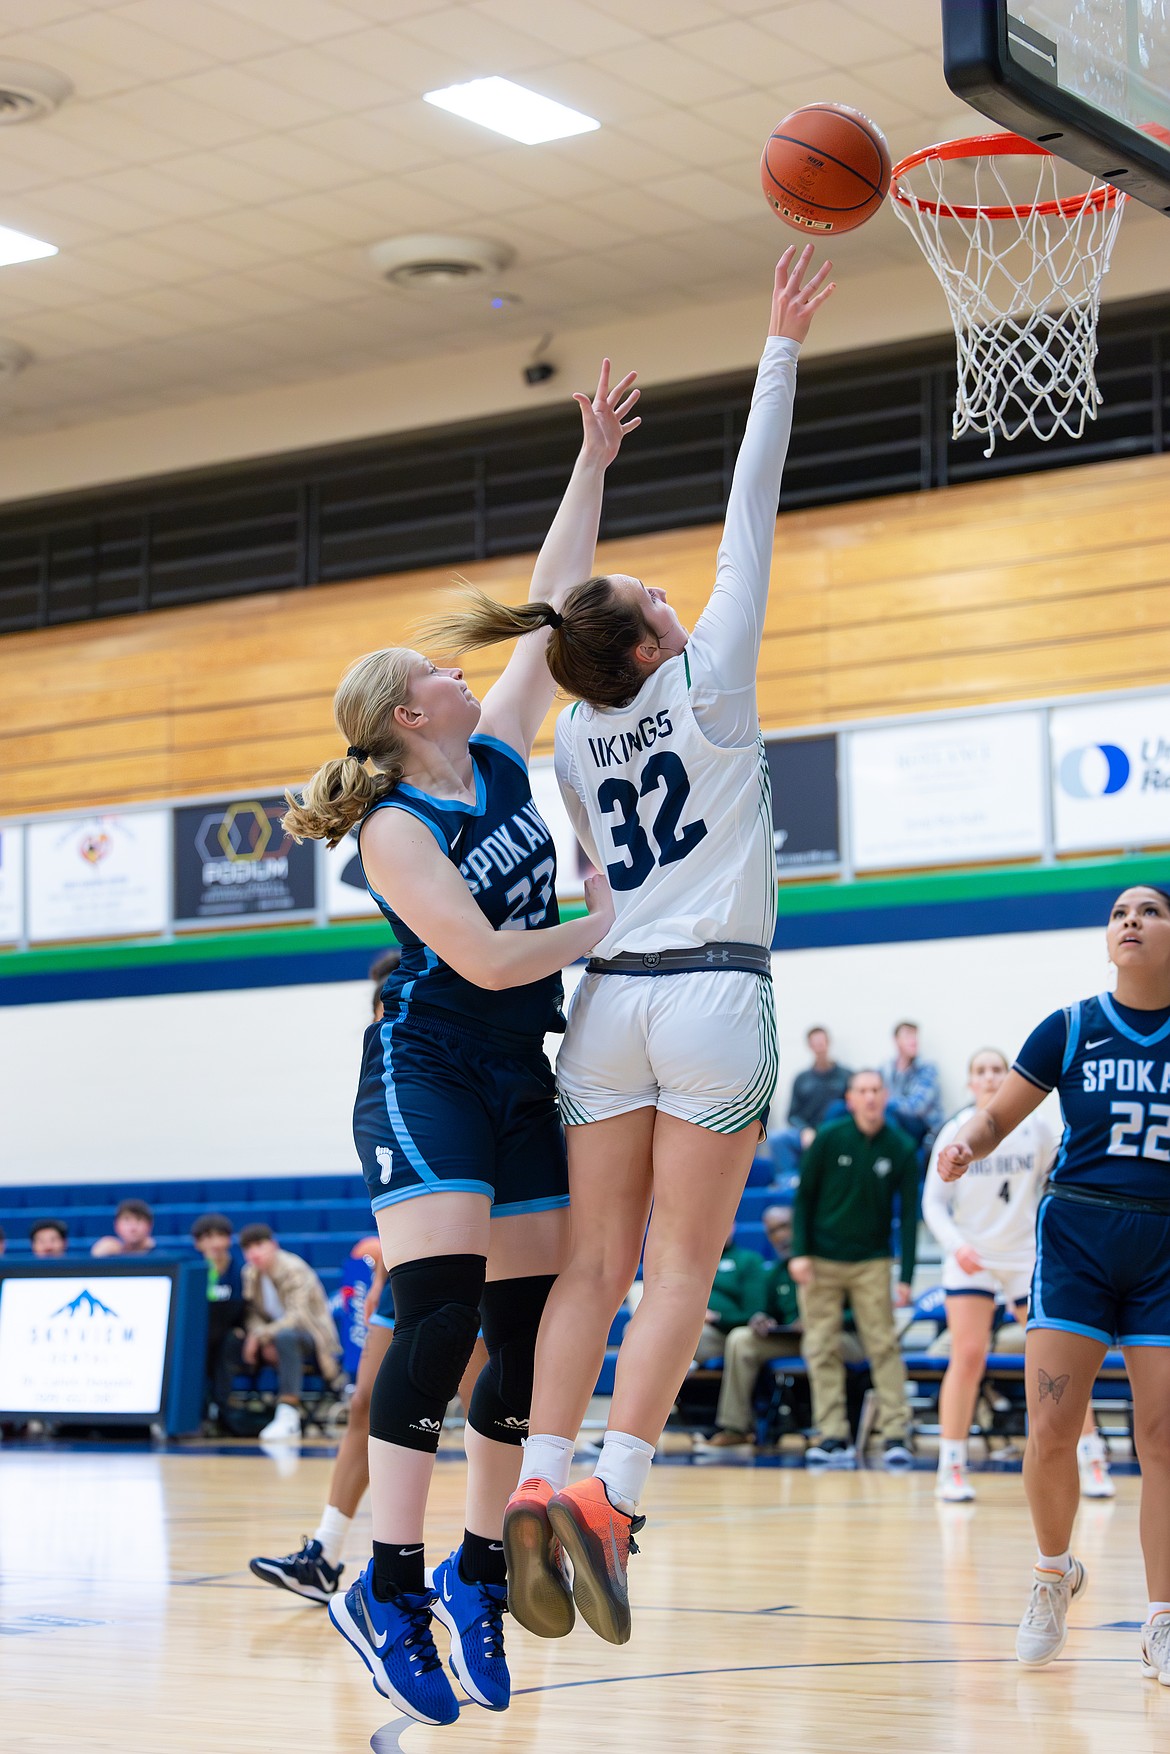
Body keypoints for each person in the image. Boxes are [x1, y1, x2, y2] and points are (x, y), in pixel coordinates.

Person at [421, 246, 834, 1649]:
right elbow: (749, 516)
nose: (679, 594)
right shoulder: (708, 682)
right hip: (714, 992)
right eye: (662, 595)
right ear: (661, 635)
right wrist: (775, 346)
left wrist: (589, 465)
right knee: (679, 1268)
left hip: (604, 1005)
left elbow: (556, 605)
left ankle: (537, 1471)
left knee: (590, 1267)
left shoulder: (579, 728)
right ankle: (611, 1490)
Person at [279, 357, 637, 1724]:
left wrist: (592, 461)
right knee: (430, 1324)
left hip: (514, 1065)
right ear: (400, 712)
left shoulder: (490, 753)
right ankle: (388, 1576)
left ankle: (483, 1568)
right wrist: (600, 921)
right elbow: (487, 957)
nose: (458, 667)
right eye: (436, 668)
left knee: (526, 1324)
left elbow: (548, 603)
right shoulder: (394, 827)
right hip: (426, 1065)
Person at [938, 882, 1170, 1679]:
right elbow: (1000, 1115)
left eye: (1150, 911)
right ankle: (1051, 1573)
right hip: (1077, 1238)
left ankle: (1162, 1618)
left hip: (1164, 1247)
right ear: (1107, 940)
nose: (1131, 921)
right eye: (1118, 914)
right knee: (1051, 1430)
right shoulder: (1070, 1027)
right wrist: (968, 1143)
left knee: (1162, 1437)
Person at [923, 1050, 1111, 1504]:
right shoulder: (955, 1131)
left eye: (996, 1070)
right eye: (979, 1070)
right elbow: (933, 1204)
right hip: (973, 1256)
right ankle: (951, 1465)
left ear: (1007, 1079)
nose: (988, 1077)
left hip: (1026, 1255)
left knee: (1058, 1360)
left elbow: (1060, 1183)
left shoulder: (1036, 1128)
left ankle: (1093, 1457)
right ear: (969, 1083)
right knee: (967, 1356)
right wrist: (956, 1247)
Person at [789, 1068, 919, 1468]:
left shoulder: (900, 1147)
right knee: (821, 1345)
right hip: (822, 1259)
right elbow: (804, 1198)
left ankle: (896, 1432)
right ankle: (832, 1435)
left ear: (886, 1097)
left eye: (876, 1090)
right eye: (861, 1090)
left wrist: (908, 1276)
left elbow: (911, 1218)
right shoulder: (830, 1138)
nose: (869, 1097)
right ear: (849, 1099)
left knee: (882, 1344)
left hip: (872, 1262)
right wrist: (800, 1252)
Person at [216, 1224, 341, 1443]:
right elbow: (251, 1314)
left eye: (259, 1245)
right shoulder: (250, 1273)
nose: (254, 1253)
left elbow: (299, 1318)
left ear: (273, 1245)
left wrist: (261, 1336)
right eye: (248, 1248)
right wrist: (257, 1334)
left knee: (286, 1337)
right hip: (273, 1339)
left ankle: (288, 1412)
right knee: (230, 1339)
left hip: (311, 1337)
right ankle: (223, 1410)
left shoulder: (294, 1268)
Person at [695, 1205, 801, 1450]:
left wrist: (718, 1317)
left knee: (736, 1337)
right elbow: (765, 1312)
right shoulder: (776, 1272)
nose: (781, 1236)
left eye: (785, 1227)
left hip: (827, 1334)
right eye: (773, 1231)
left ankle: (734, 1425)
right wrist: (764, 1320)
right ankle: (733, 1427)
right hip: (788, 1338)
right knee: (743, 1338)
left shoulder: (749, 1261)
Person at [770, 1027, 852, 1190]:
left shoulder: (846, 1076)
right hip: (807, 1134)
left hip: (835, 1133)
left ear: (828, 1043)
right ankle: (790, 1180)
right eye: (816, 1043)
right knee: (776, 1138)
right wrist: (805, 1130)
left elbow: (851, 1109)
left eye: (822, 1042)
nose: (820, 1046)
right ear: (810, 1046)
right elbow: (792, 1115)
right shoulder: (802, 1079)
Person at [190, 1214, 246, 1429]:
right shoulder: (195, 1271)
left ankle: (222, 1408)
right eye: (207, 1237)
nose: (214, 1243)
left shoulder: (240, 1270)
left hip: (229, 1333)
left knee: (228, 1344)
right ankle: (199, 1411)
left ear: (229, 1240)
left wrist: (243, 1328)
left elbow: (247, 1306)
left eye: (220, 1236)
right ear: (198, 1243)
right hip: (201, 1334)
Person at [692, 1228, 767, 1366]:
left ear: (733, 1225)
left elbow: (753, 1314)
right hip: (690, 1323)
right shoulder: (693, 1260)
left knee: (687, 1335)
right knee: (639, 1289)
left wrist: (716, 1317)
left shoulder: (748, 1260)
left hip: (721, 1333)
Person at [882, 1021, 943, 1151]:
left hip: (922, 1129)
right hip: (897, 1125)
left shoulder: (927, 1068)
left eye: (915, 1036)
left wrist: (883, 1101)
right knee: (842, 1108)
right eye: (907, 1036)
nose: (913, 1040)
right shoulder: (886, 1069)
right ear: (896, 1040)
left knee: (887, 1113)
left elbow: (917, 1107)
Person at [91, 1198, 155, 1257]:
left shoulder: (158, 1254)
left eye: (139, 1220)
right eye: (127, 1220)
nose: (133, 1227)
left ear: (150, 1225)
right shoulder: (108, 1250)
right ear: (116, 1225)